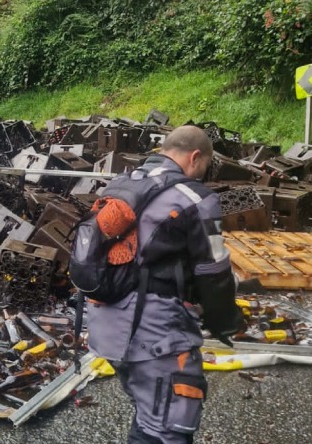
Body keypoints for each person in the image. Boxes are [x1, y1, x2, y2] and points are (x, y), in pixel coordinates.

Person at [86, 125, 243, 443]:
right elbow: (213, 271)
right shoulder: (197, 198)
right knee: (170, 429)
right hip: (156, 335)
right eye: (205, 166)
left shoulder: (119, 185)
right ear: (196, 157)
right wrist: (225, 322)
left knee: (150, 417)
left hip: (108, 328)